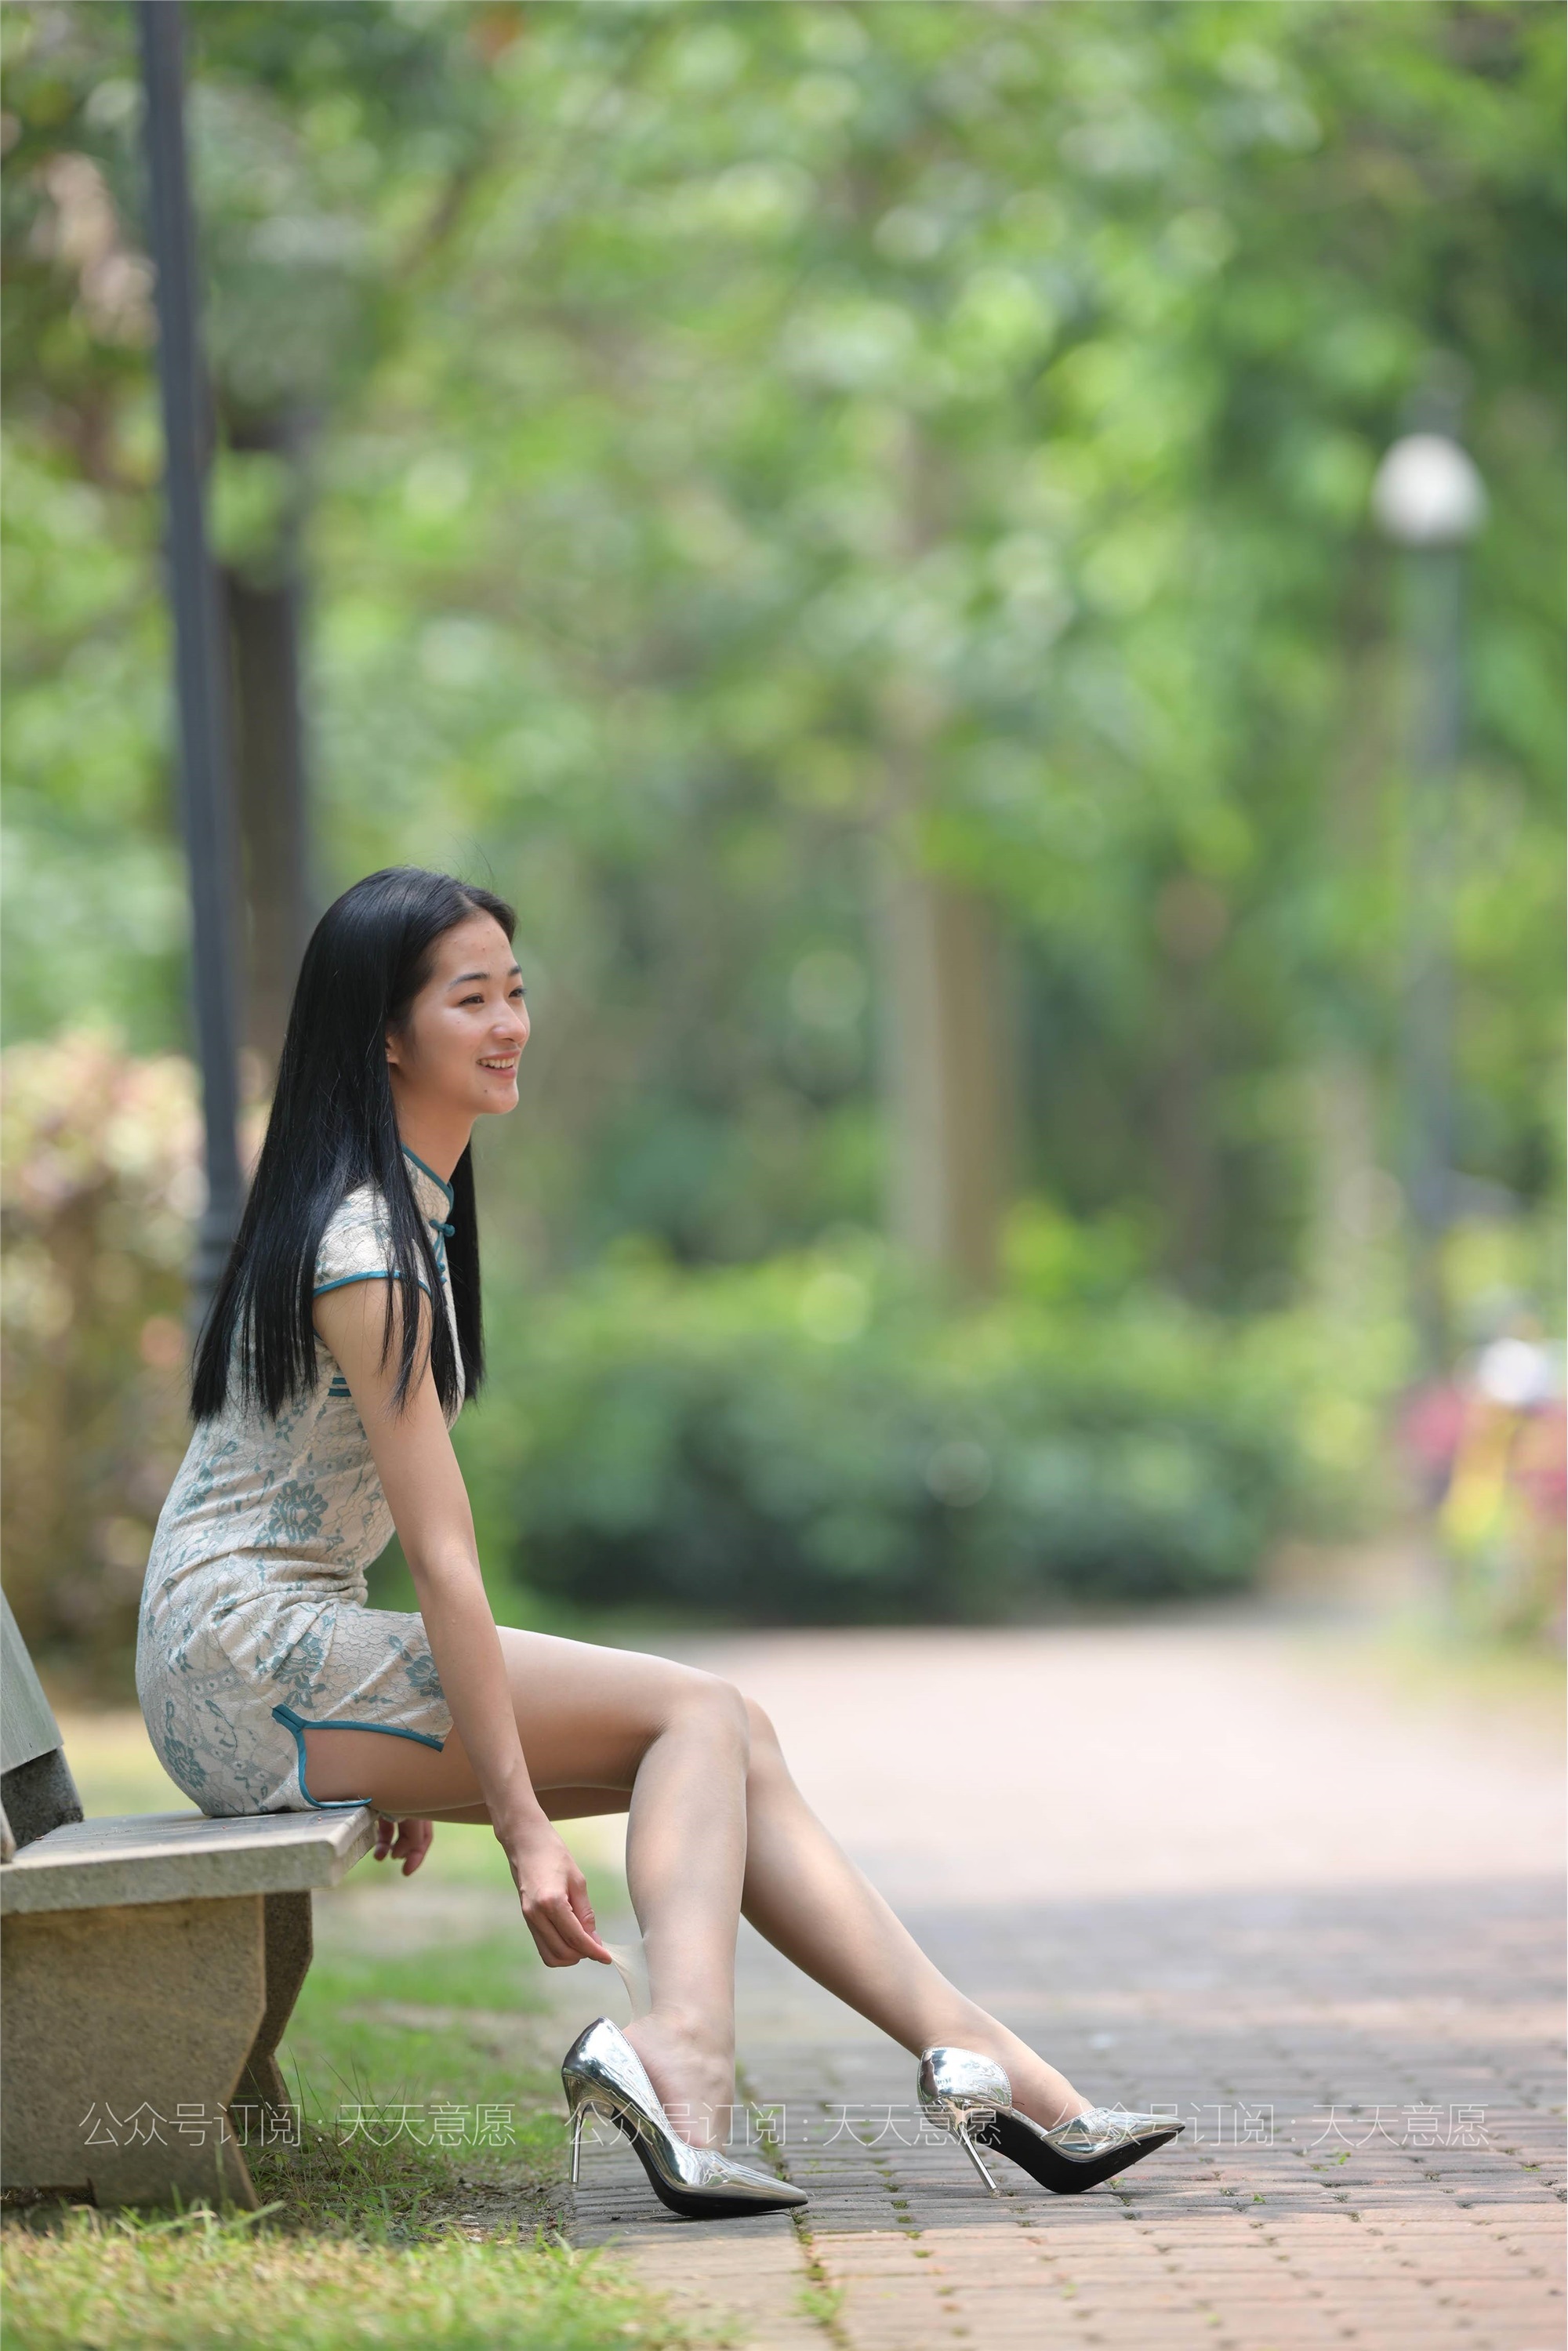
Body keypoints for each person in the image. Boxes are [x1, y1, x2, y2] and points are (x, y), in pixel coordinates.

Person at [138, 866, 1181, 2219]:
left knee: (728, 1732)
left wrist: (401, 1734)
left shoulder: (406, 1214)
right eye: (472, 1000)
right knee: (693, 1715)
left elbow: (331, 1516)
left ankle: (988, 2061)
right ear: (385, 1035)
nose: (511, 1023)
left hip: (257, 1652)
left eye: (517, 992)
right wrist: (515, 1823)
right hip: (242, 1656)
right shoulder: (365, 1243)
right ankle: (684, 2053)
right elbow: (444, 1563)